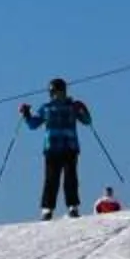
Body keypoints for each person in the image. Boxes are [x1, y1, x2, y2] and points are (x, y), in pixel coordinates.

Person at [21, 79, 94, 218]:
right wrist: (26, 114)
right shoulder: (46, 108)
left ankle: (72, 206)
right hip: (52, 149)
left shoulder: (73, 106)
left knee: (70, 178)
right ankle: (47, 208)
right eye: (53, 93)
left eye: (58, 92)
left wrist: (83, 108)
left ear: (64, 92)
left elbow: (87, 121)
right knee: (51, 179)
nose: (56, 95)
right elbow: (33, 125)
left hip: (70, 148)